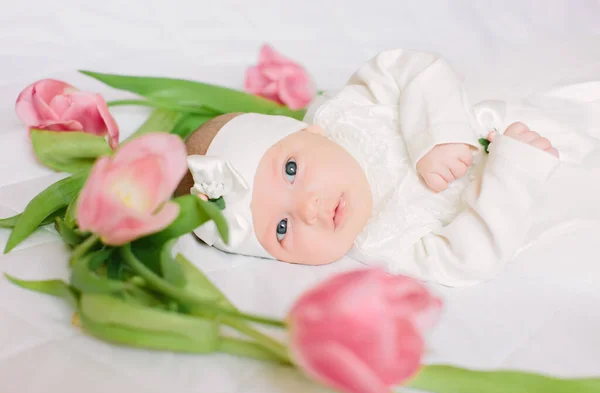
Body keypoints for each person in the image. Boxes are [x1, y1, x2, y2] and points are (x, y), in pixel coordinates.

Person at [175, 48, 600, 287]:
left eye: (290, 170)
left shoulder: (345, 113)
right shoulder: (381, 241)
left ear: (309, 133)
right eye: (282, 229)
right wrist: (513, 171)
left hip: (517, 121)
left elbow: (411, 67)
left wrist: (436, 135)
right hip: (536, 186)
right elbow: (467, 261)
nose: (308, 209)